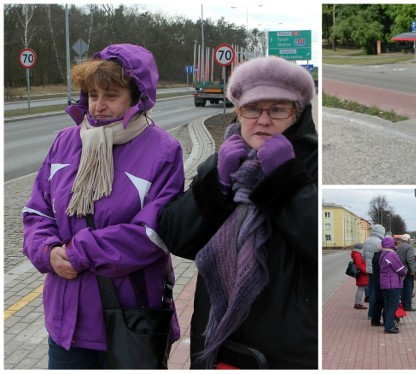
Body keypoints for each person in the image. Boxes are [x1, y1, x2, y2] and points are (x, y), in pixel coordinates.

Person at [22, 43, 184, 369]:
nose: (98, 106)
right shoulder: (65, 142)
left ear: (137, 97)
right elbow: (37, 211)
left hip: (130, 319)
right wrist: (48, 252)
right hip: (66, 322)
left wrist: (80, 253)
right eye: (93, 95)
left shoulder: (163, 151)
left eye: (111, 95)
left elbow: (153, 232)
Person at [157, 56, 317, 369]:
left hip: (287, 352)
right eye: (253, 108)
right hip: (218, 344)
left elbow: (316, 246)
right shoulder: (228, 161)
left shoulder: (313, 165)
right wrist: (215, 182)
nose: (264, 120)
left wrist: (286, 178)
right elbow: (175, 236)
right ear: (239, 112)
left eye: (278, 109)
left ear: (297, 114)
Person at [379, 237, 407, 334]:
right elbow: (400, 270)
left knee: (387, 305)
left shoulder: (383, 254)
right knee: (393, 306)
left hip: (385, 283)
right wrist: (404, 273)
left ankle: (387, 324)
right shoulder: (391, 255)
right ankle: (389, 326)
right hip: (393, 284)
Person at [363, 224, 385, 319]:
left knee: (370, 288)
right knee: (375, 292)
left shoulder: (367, 240)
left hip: (369, 269)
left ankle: (371, 313)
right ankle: (372, 313)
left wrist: (368, 264)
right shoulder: (380, 242)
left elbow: (363, 255)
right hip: (377, 270)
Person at [396, 233, 416, 311]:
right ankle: (408, 306)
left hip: (400, 269)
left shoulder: (399, 247)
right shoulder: (409, 247)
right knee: (409, 288)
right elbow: (410, 259)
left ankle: (402, 305)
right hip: (408, 270)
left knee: (402, 288)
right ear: (408, 240)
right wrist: (413, 270)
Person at [351, 243, 368, 309]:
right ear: (359, 248)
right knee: (361, 289)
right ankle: (358, 303)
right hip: (362, 274)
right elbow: (359, 265)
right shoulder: (357, 254)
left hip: (361, 274)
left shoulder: (356, 253)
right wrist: (365, 271)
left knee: (361, 289)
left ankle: (357, 303)